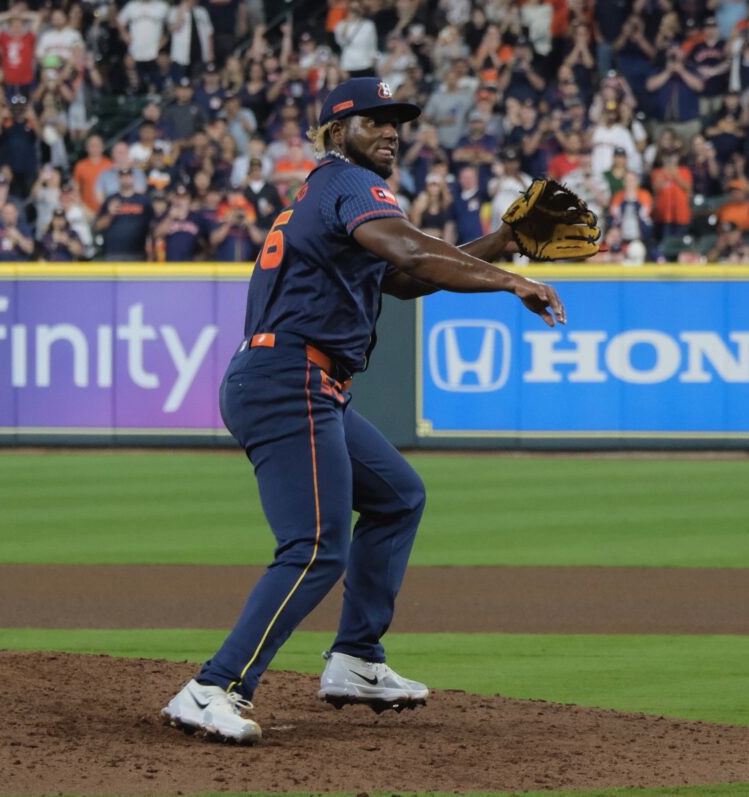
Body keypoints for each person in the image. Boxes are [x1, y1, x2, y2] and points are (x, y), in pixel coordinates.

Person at [161, 77, 566, 744]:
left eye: (395, 120)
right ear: (333, 131)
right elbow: (409, 251)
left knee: (398, 495)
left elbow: (404, 279)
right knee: (317, 544)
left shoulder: (332, 194)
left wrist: (505, 240)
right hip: (291, 374)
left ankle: (355, 658)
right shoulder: (349, 183)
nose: (390, 130)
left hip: (294, 376)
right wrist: (511, 279)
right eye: (372, 119)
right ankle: (215, 685)